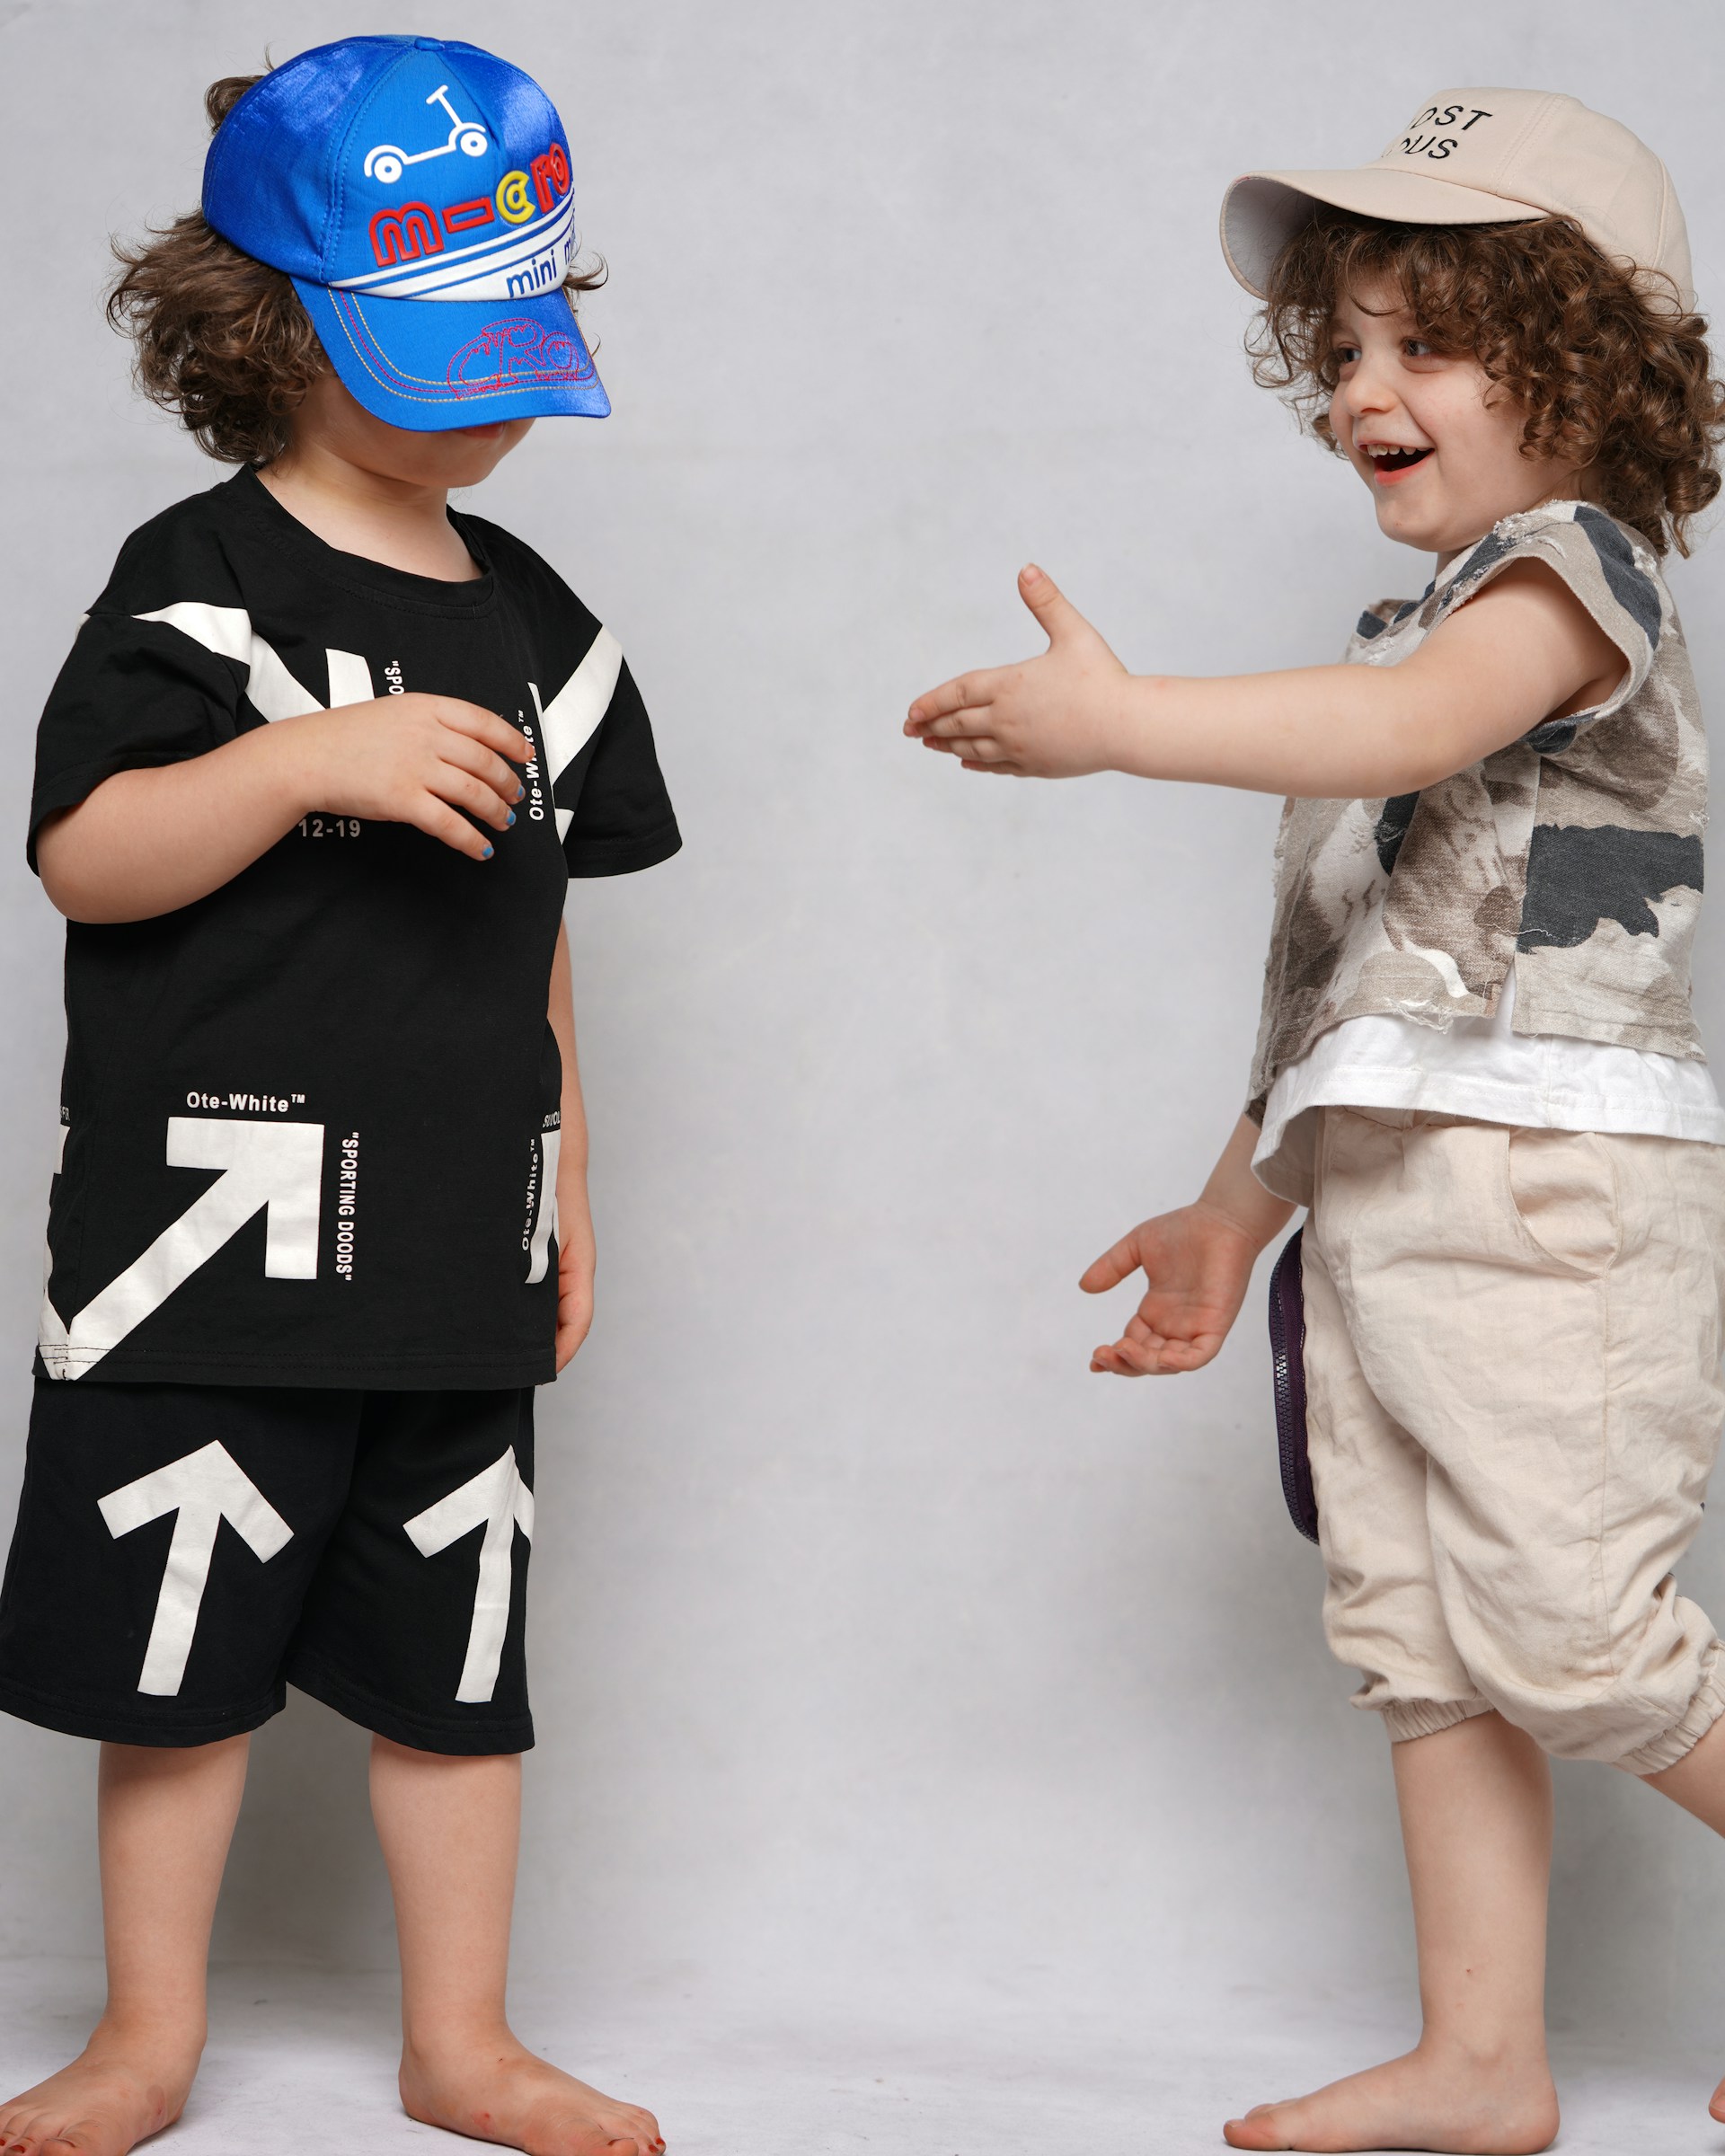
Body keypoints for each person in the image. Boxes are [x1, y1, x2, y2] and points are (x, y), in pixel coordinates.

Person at [907, 88, 1725, 2156]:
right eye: (1345, 343)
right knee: (1422, 1637)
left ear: (1597, 366)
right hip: (1391, 1186)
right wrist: (1230, 1211)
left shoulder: (1576, 589)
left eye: (1427, 339)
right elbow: (1368, 994)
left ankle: (1488, 2051)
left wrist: (1123, 728)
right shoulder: (1417, 632)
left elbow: (1416, 737)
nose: (1367, 383)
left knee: (1577, 1633)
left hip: (1552, 1195)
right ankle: (1484, 2062)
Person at [0, 35, 675, 2156]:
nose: (500, 388)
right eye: (446, 341)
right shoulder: (190, 580)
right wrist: (298, 761)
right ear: (282, 330)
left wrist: (576, 1182)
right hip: (207, 1248)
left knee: (456, 1675)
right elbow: (85, 857)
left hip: (456, 1237)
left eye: (524, 333)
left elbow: (548, 924)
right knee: (170, 1671)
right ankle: (145, 2043)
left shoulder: (546, 630)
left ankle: (459, 2042)